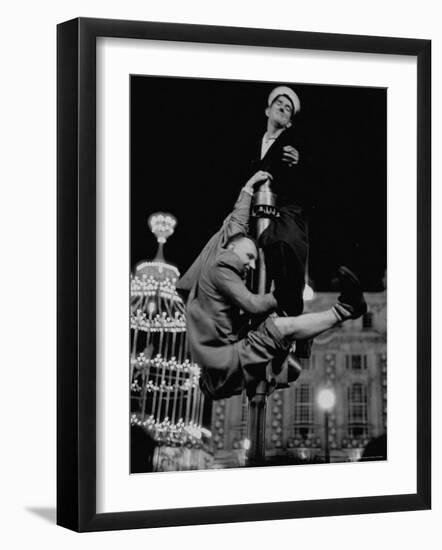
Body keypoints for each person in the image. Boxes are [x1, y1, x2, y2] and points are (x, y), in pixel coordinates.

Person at [177, 171, 367, 401]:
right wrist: (280, 295)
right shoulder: (220, 271)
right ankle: (346, 309)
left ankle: (294, 345)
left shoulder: (226, 248)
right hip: (222, 369)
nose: (252, 263)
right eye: (249, 257)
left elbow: (236, 221)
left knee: (280, 320)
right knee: (278, 328)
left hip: (231, 341)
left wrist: (248, 188)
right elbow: (253, 304)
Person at [248, 86, 312, 359]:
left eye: (289, 109)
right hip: (251, 209)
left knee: (284, 242)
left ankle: (294, 322)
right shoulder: (252, 142)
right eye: (280, 104)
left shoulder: (294, 142)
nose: (284, 108)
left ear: (290, 121)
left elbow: (317, 175)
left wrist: (300, 161)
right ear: (267, 110)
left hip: (284, 207)